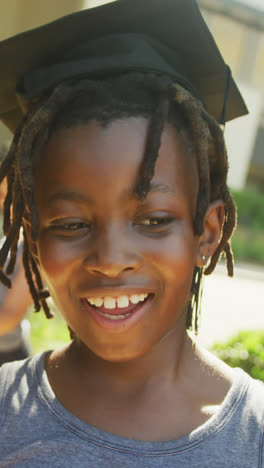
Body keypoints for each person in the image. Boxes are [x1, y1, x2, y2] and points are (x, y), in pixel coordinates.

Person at [0, 0, 263, 466]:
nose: (111, 257)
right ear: (33, 239)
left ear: (207, 232)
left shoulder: (254, 437)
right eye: (71, 224)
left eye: (153, 221)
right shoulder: (5, 414)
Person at [0, 145, 32, 365]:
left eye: (6, 193)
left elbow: (10, 317)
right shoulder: (10, 240)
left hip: (7, 358)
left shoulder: (33, 251)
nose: (2, 200)